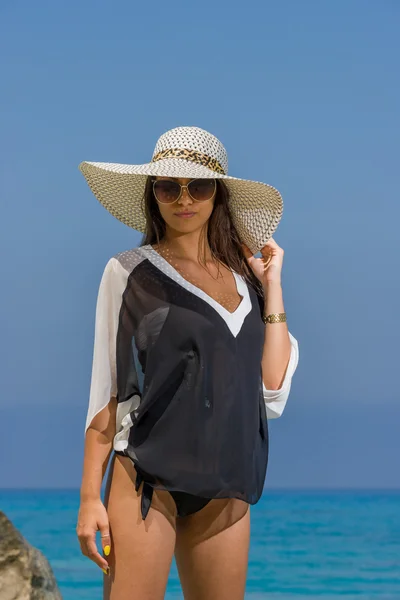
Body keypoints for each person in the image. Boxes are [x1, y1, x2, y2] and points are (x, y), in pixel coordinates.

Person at [76, 126, 299, 600]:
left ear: (217, 194)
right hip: (146, 480)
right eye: (167, 186)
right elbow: (108, 392)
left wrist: (272, 283)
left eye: (198, 186)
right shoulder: (129, 273)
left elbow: (273, 388)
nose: (183, 199)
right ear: (152, 194)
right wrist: (89, 499)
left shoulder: (248, 284)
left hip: (227, 486)